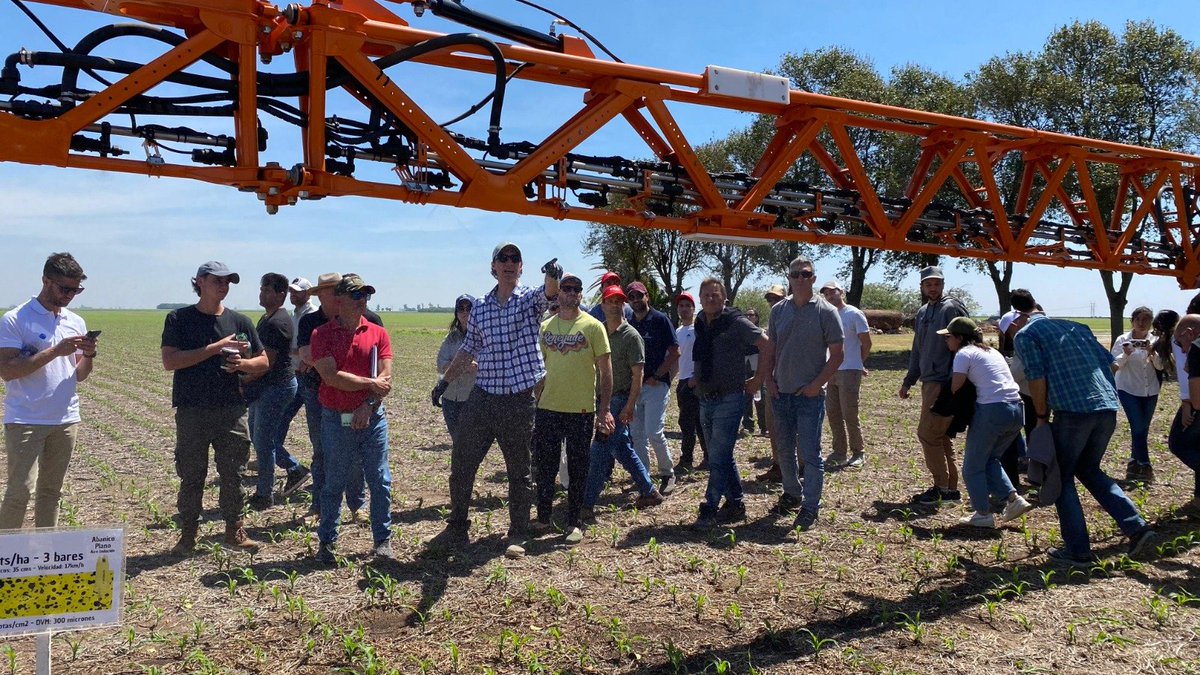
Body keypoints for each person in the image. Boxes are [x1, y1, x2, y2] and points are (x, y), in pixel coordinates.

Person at [432, 243, 562, 554]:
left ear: (521, 267)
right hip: (483, 396)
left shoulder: (528, 301)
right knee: (462, 463)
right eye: (502, 258)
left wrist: (553, 276)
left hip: (517, 400)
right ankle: (457, 527)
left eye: (514, 258)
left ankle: (518, 532)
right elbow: (468, 348)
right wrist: (444, 382)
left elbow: (548, 294)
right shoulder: (480, 307)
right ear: (493, 267)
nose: (508, 263)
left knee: (519, 471)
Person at [1014, 313, 1156, 566]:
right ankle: (1138, 528)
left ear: (1020, 322)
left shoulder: (1026, 334)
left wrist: (1041, 416)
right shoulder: (1079, 328)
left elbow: (1036, 377)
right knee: (1089, 469)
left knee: (1062, 476)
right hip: (1107, 407)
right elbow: (1110, 363)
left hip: (1073, 412)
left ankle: (1078, 550)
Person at [161, 261, 266, 554]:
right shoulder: (179, 319)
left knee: (234, 474)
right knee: (192, 475)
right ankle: (187, 535)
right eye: (218, 280)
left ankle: (234, 531)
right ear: (200, 282)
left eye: (228, 282)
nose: (224, 286)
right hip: (192, 410)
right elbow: (170, 361)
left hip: (231, 409)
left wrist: (242, 364)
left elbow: (264, 361)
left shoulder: (240, 321)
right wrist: (215, 348)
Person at [0, 252, 97, 529]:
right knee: (19, 492)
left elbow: (79, 375)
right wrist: (55, 351)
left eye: (75, 289)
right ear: (45, 280)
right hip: (26, 419)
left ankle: (46, 554)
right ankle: (6, 558)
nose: (69, 295)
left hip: (65, 419)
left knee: (52, 493)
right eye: (64, 288)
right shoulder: (16, 319)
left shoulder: (75, 321)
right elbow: (7, 370)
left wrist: (88, 355)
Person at [310, 274, 394, 562]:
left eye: (366, 295)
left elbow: (385, 377)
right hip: (336, 420)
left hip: (372, 418)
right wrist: (370, 385)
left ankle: (383, 541)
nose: (363, 301)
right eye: (357, 295)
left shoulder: (378, 332)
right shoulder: (321, 335)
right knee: (334, 481)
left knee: (380, 480)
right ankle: (327, 544)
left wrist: (368, 404)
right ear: (339, 300)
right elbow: (331, 377)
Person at [532, 273, 613, 544]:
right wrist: (536, 395)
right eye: (566, 288)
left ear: (580, 294)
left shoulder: (593, 326)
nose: (571, 293)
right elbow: (537, 368)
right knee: (545, 466)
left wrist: (604, 410)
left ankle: (573, 522)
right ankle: (543, 518)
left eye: (576, 289)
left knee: (579, 468)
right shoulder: (545, 327)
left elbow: (605, 371)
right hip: (548, 408)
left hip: (581, 410)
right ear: (558, 294)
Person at [765, 257, 842, 530]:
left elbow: (837, 356)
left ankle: (811, 506)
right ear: (789, 277)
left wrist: (816, 384)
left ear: (813, 278)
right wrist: (768, 381)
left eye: (805, 274)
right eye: (795, 274)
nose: (799, 278)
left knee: (810, 454)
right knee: (784, 450)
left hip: (809, 396)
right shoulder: (778, 311)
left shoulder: (826, 311)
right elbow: (770, 349)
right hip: (781, 393)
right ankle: (791, 493)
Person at [297, 272, 382, 520]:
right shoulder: (311, 323)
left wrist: (328, 366)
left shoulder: (371, 320)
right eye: (331, 291)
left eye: (339, 290)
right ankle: (319, 506)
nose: (336, 295)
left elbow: (379, 367)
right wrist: (328, 367)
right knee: (321, 449)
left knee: (355, 453)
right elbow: (306, 355)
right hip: (319, 396)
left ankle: (358, 505)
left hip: (359, 399)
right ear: (321, 295)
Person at [692, 278, 773, 528]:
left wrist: (759, 378)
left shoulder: (736, 321)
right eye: (705, 295)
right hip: (706, 397)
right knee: (722, 456)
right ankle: (736, 504)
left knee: (717, 456)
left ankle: (709, 507)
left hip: (731, 397)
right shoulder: (700, 321)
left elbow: (767, 345)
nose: (710, 298)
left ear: (724, 298)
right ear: (700, 297)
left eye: (715, 295)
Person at [941, 317, 1033, 528]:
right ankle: (1014, 500)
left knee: (972, 467)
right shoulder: (992, 352)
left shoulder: (964, 353)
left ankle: (982, 513)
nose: (946, 341)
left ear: (960, 338)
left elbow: (955, 387)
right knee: (990, 459)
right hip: (1017, 409)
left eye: (948, 337)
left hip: (992, 411)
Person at [585, 285, 665, 517]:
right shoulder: (598, 331)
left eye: (619, 301)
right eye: (610, 300)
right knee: (621, 448)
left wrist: (630, 405)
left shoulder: (632, 336)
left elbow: (638, 375)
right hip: (602, 400)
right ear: (602, 304)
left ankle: (587, 503)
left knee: (600, 448)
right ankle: (649, 491)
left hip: (620, 399)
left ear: (624, 305)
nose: (615, 304)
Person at [899, 265, 967, 505]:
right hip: (929, 381)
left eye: (936, 283)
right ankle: (950, 490)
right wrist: (909, 380)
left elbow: (965, 343)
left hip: (945, 382)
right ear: (922, 287)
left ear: (943, 284)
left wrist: (955, 381)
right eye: (928, 284)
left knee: (928, 433)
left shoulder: (951, 307)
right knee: (939, 435)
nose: (933, 287)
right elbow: (918, 348)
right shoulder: (923, 311)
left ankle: (941, 487)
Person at [244, 273, 310, 510]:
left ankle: (264, 494)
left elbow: (266, 364)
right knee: (260, 437)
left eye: (267, 290)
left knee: (264, 442)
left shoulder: (278, 322)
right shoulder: (268, 318)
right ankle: (293, 470)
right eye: (261, 288)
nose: (261, 293)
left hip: (276, 387)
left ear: (280, 295)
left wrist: (241, 380)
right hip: (266, 387)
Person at [627, 280, 680, 495]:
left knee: (653, 431)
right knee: (637, 435)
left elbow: (675, 351)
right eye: (631, 297)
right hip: (635, 387)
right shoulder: (629, 321)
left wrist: (658, 375)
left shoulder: (660, 319)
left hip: (656, 385)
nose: (636, 300)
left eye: (639, 296)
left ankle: (667, 473)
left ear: (647, 296)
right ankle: (643, 478)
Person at [819, 279, 871, 469]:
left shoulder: (854, 314)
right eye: (826, 294)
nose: (829, 296)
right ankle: (839, 452)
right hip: (830, 370)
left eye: (833, 292)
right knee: (833, 413)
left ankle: (858, 452)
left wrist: (858, 363)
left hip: (849, 370)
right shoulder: (825, 315)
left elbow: (866, 343)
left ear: (842, 292)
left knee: (850, 413)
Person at [1112, 306, 1163, 484]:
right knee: (1138, 425)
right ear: (1132, 321)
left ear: (1151, 322)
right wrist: (1126, 354)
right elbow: (1114, 365)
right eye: (1138, 319)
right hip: (1128, 389)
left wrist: (1152, 352)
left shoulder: (1155, 339)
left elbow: (1161, 366)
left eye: (1146, 320)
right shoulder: (1122, 340)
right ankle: (1145, 464)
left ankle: (1134, 462)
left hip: (1150, 390)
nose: (1142, 323)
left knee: (1142, 428)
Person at [1168, 314, 1200, 518]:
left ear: (1189, 334)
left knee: (1179, 443)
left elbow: (1197, 400)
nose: (1181, 350)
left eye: (1181, 344)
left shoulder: (1198, 347)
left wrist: (1188, 403)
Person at [673, 292, 708, 472]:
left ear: (694, 309)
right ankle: (687, 459)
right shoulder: (677, 332)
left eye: (688, 305)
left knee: (700, 422)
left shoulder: (699, 330)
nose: (684, 309)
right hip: (683, 381)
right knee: (686, 423)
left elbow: (704, 355)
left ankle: (706, 457)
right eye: (681, 306)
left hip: (696, 381)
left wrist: (697, 377)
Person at [756, 284, 787, 482]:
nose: (772, 302)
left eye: (776, 298)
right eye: (770, 299)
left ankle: (797, 468)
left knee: (791, 429)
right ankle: (777, 465)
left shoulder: (794, 319)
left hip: (789, 382)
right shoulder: (772, 323)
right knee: (772, 426)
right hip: (772, 381)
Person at [436, 294, 476, 444]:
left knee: (471, 442)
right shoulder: (450, 338)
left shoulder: (483, 337)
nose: (465, 312)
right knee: (457, 441)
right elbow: (441, 365)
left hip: (473, 398)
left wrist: (454, 365)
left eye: (469, 308)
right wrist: (465, 365)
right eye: (461, 308)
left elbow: (481, 366)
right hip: (450, 397)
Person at [742, 308, 762, 435]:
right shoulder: (741, 332)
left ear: (757, 317)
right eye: (747, 315)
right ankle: (748, 425)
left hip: (757, 364)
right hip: (744, 364)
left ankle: (764, 426)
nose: (749, 317)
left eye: (752, 315)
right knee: (746, 396)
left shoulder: (761, 332)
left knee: (760, 396)